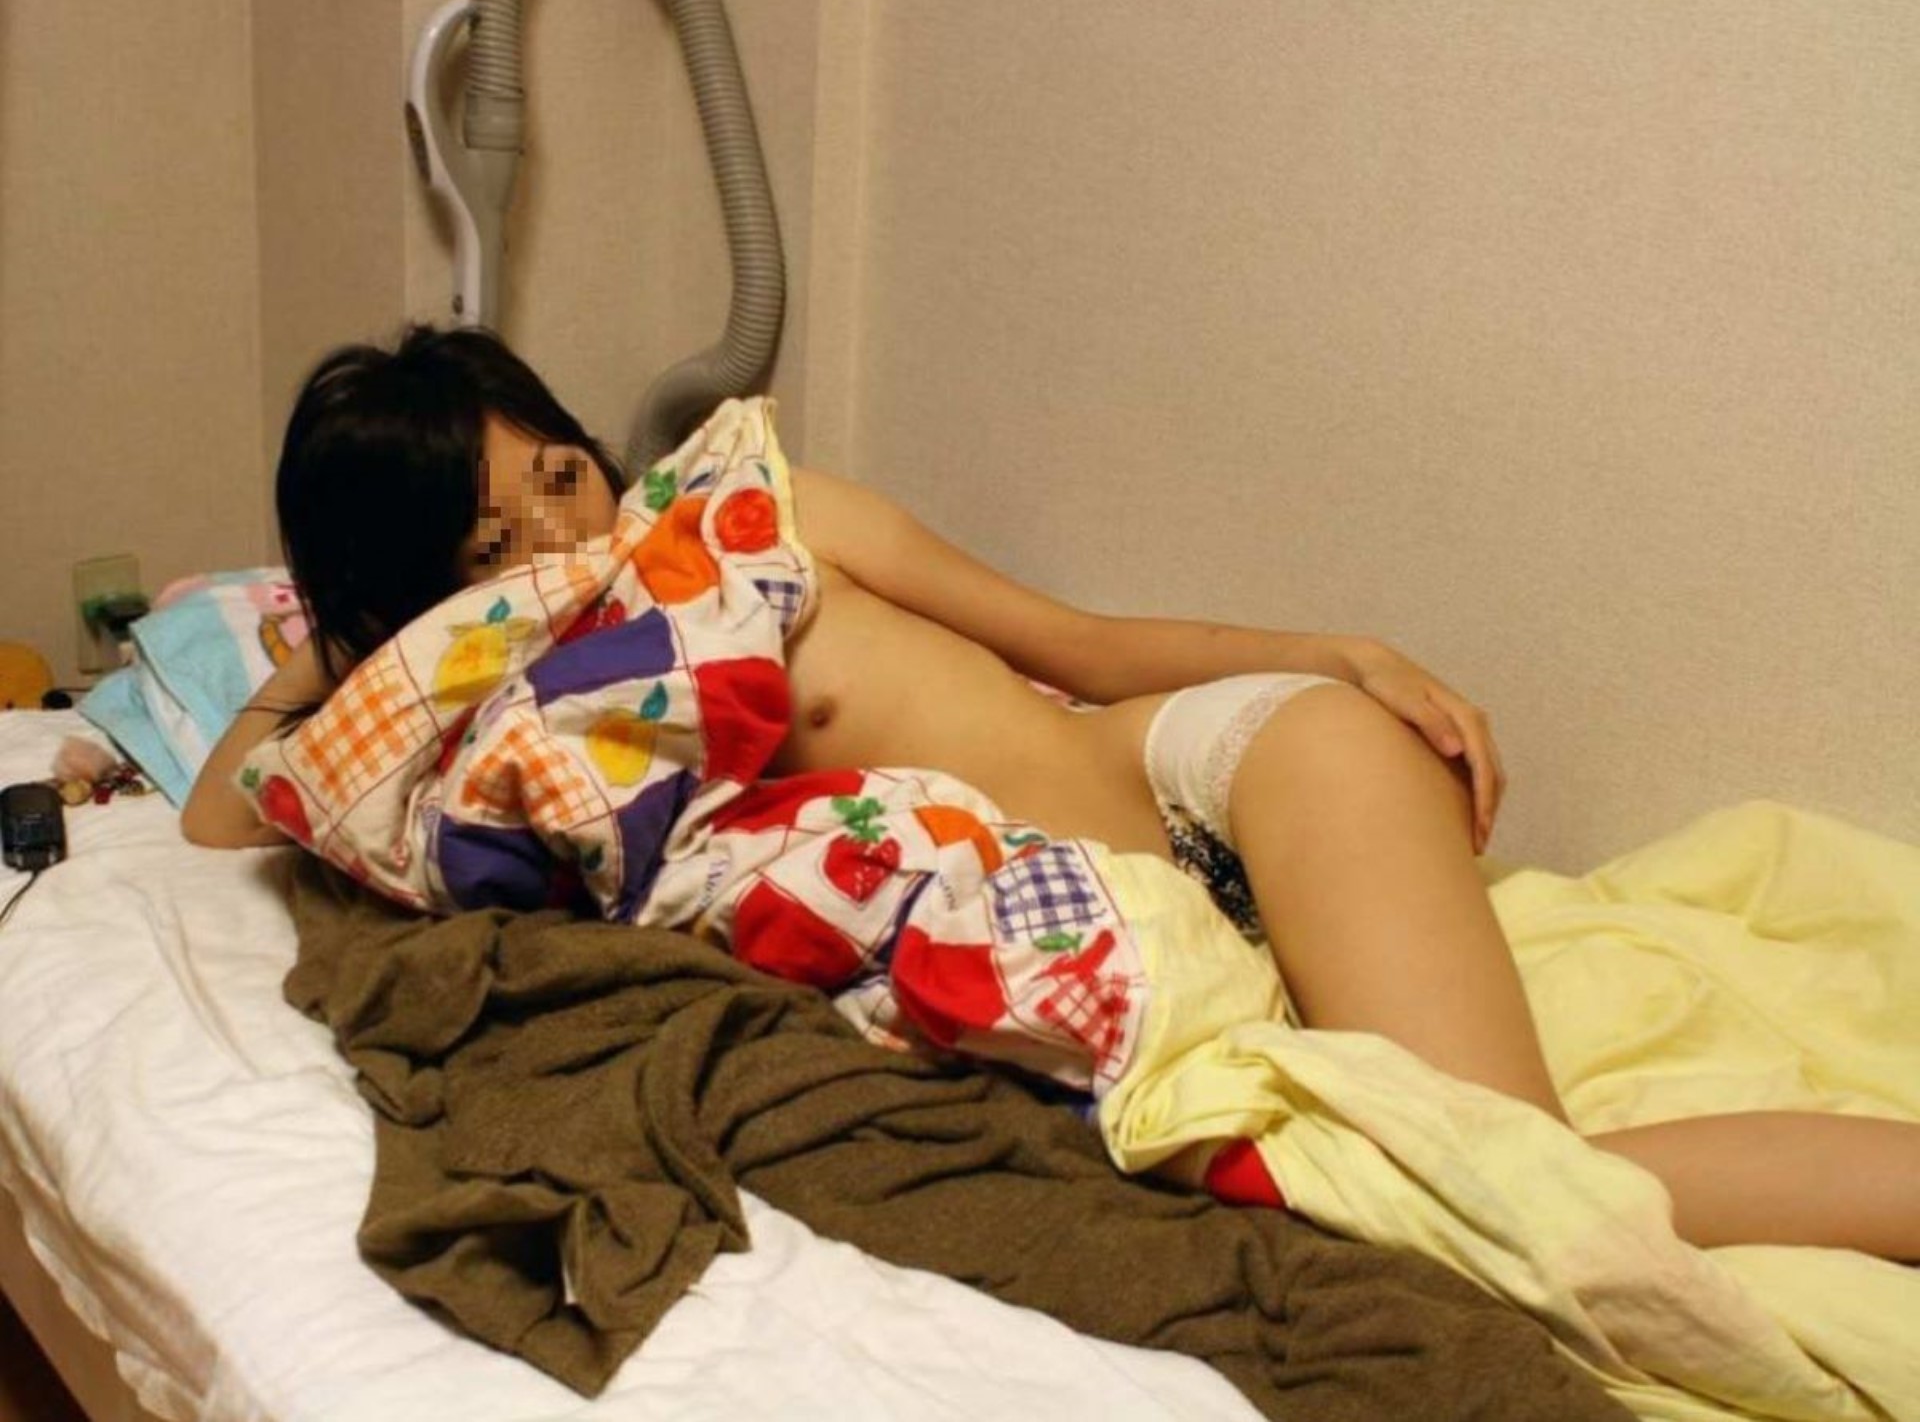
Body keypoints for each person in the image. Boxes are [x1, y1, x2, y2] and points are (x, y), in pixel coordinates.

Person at [184, 325, 1919, 1260]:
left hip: (1238, 788)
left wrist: (1337, 656)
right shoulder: (527, 750)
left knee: (1527, 1183)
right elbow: (222, 813)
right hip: (1170, 939)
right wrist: (335, 656)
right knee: (1486, 1188)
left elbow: (1079, 646)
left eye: (561, 478)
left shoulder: (762, 521)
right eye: (487, 546)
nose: (558, 543)